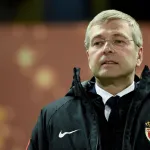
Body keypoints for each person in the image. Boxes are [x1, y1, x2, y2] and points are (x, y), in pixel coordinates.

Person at [26, 9, 150, 150]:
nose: (107, 49)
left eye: (118, 41)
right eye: (98, 43)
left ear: (139, 55)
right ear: (88, 56)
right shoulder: (53, 116)